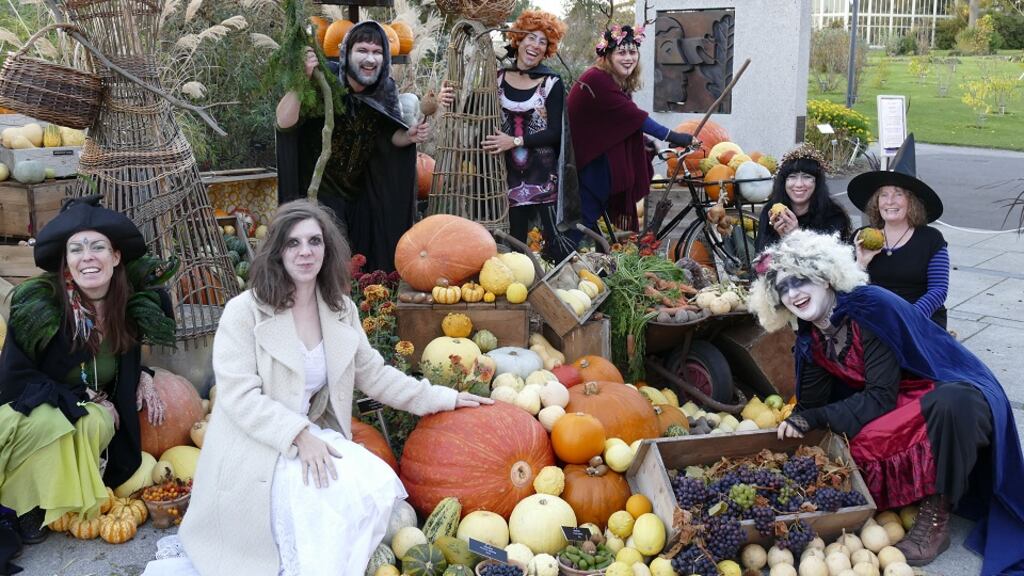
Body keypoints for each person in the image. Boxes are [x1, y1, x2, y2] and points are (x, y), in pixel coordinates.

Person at [143, 201, 491, 576]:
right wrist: (299, 436)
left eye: (314, 241)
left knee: (368, 484)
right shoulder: (244, 312)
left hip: (309, 434)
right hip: (257, 445)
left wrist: (445, 397)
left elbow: (374, 374)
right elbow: (239, 397)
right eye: (293, 243)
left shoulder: (340, 309)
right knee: (323, 502)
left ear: (328, 249)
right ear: (276, 250)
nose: (305, 251)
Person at [748, 230, 1024, 572]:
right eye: (782, 289)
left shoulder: (869, 308)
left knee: (951, 404)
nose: (793, 294)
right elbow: (812, 406)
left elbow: (877, 399)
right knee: (853, 445)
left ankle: (938, 512)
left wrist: (815, 417)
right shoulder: (813, 335)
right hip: (896, 397)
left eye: (801, 280)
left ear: (826, 276)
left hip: (948, 392)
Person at [0, 196, 175, 551]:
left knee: (97, 421)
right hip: (28, 413)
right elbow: (14, 382)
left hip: (87, 415)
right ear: (66, 262)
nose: (87, 257)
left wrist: (143, 373)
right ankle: (22, 505)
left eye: (98, 247)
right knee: (62, 420)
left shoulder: (128, 308)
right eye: (76, 249)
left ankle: (55, 496)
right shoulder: (40, 309)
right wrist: (80, 398)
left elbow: (107, 363)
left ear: (115, 257)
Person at [276, 22, 448, 273]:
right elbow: (284, 123)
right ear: (347, 52)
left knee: (364, 266)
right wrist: (301, 81)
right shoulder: (324, 80)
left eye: (377, 52)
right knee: (327, 266)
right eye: (363, 50)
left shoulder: (384, 89)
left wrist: (408, 136)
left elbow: (388, 139)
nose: (370, 58)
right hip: (318, 196)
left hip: (361, 197)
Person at [567, 24, 695, 239]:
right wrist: (674, 136)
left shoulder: (615, 82)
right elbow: (635, 116)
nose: (628, 58)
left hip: (597, 160)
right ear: (607, 55)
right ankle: (556, 264)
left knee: (589, 223)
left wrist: (644, 141)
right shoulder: (596, 79)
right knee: (582, 223)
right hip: (590, 164)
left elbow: (621, 122)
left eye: (633, 52)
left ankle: (588, 262)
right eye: (621, 52)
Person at [483, 10, 578, 261]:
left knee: (556, 247)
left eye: (543, 41)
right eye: (531, 38)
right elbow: (474, 109)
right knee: (515, 253)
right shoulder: (498, 79)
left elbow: (556, 133)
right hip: (507, 181)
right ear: (518, 39)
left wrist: (514, 141)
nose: (535, 45)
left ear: (548, 48)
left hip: (544, 181)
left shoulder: (551, 82)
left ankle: (559, 297)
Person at [849, 134, 949, 328]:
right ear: (876, 203)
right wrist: (861, 263)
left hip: (920, 318)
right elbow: (848, 288)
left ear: (911, 202)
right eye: (883, 195)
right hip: (874, 317)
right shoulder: (862, 237)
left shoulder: (930, 239)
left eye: (898, 194)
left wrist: (908, 318)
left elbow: (938, 290)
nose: (889, 201)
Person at [754, 143, 851, 252]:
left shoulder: (834, 216)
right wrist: (780, 239)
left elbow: (833, 262)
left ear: (817, 182)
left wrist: (796, 236)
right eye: (792, 177)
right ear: (784, 182)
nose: (799, 184)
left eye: (807, 177)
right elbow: (760, 258)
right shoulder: (770, 212)